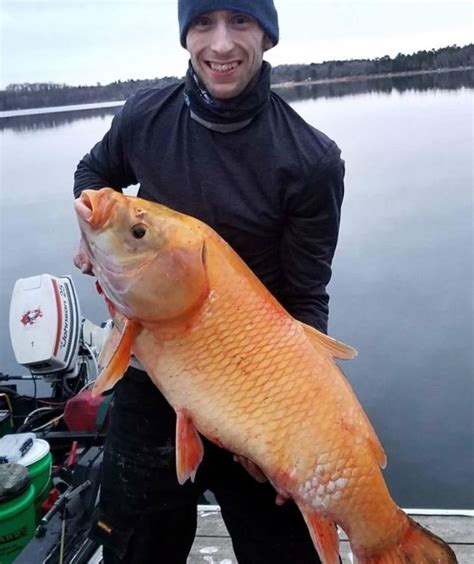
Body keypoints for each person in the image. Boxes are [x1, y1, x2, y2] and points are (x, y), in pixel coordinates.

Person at [73, 1, 345, 562]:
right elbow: (93, 178)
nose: (221, 44)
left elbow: (305, 298)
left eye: (240, 21)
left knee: (281, 552)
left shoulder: (311, 160)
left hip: (253, 385)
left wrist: (288, 419)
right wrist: (91, 244)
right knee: (136, 546)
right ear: (185, 36)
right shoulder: (145, 116)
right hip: (153, 378)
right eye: (203, 23)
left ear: (268, 35)